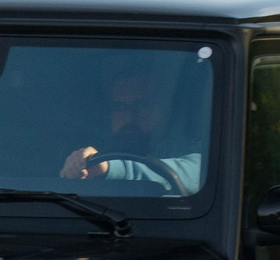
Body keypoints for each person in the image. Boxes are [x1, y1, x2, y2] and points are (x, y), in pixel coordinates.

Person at [58, 68, 204, 192]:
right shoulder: (93, 151)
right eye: (120, 107)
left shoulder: (184, 149)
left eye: (142, 105)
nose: (130, 118)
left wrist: (109, 168)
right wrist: (76, 166)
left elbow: (199, 174)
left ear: (164, 112)